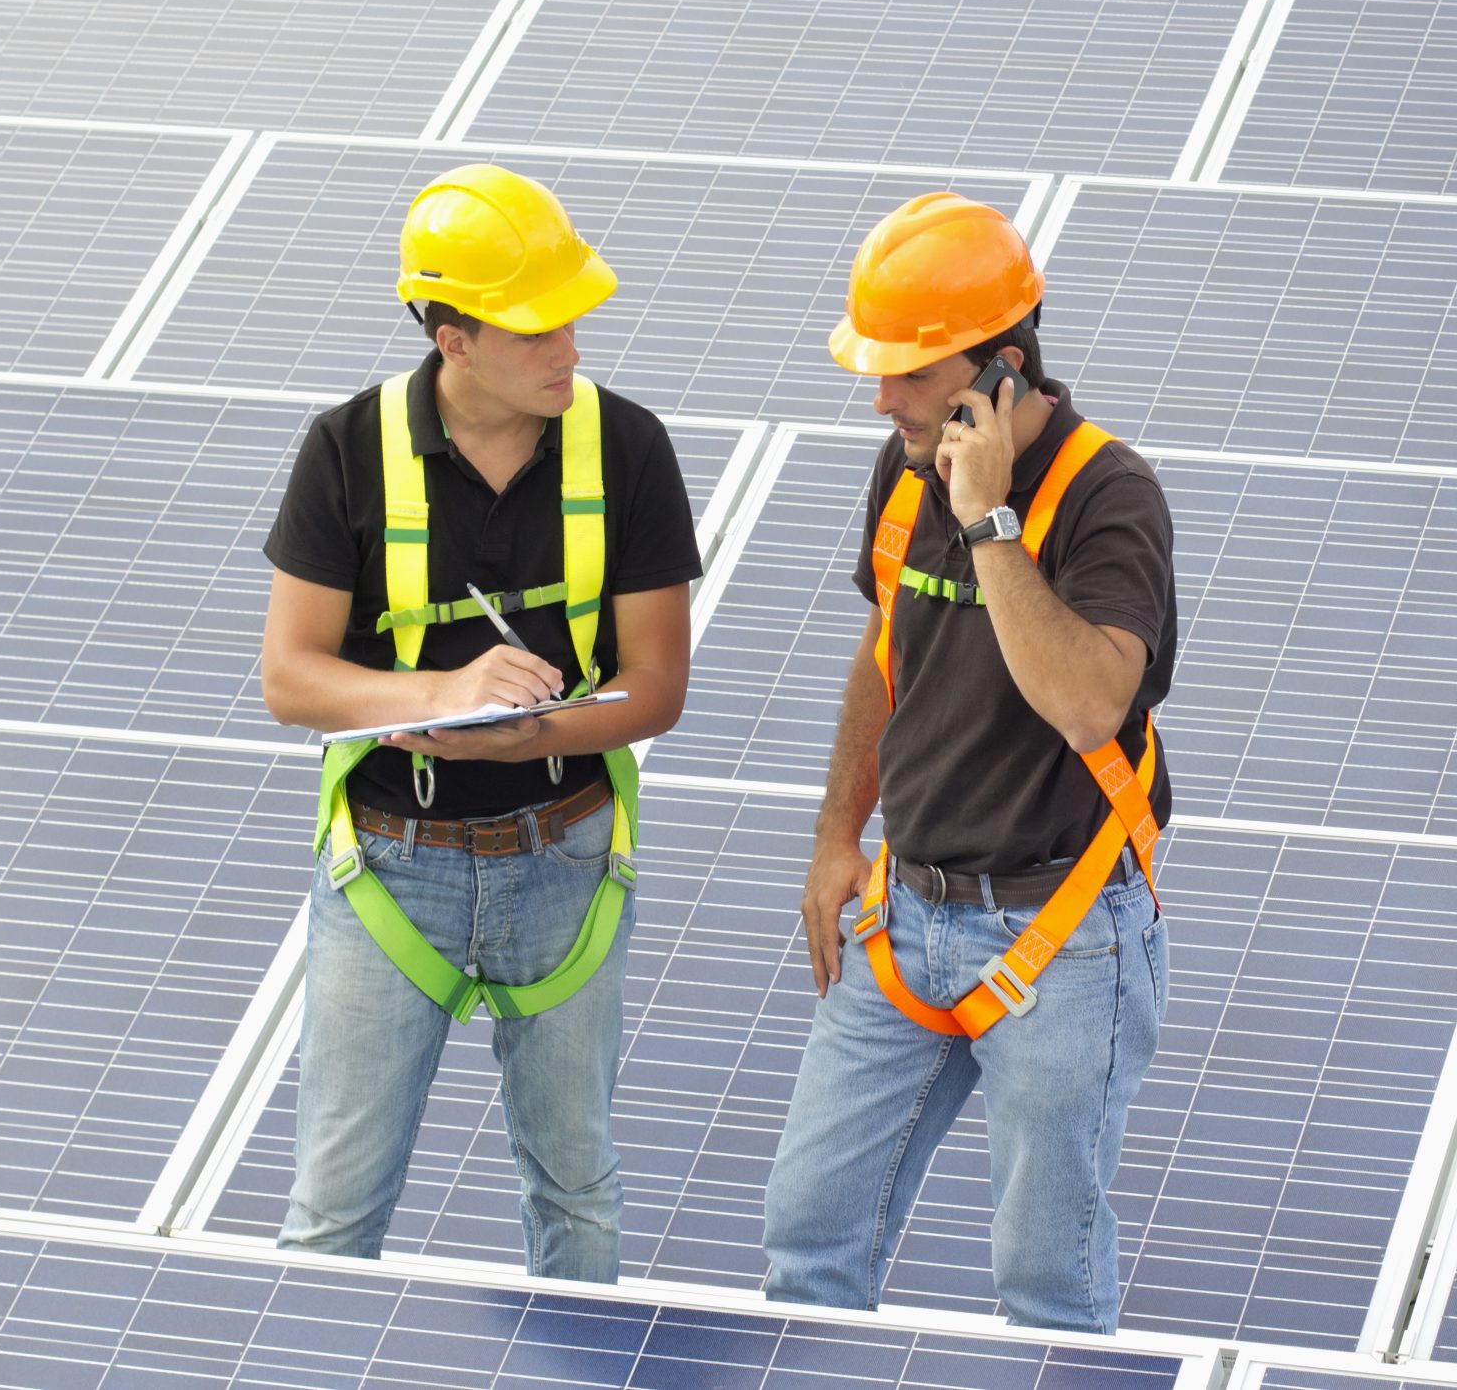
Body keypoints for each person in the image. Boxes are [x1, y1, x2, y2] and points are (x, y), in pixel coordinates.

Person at [258, 164, 700, 1279]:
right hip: (389, 870)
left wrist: (535, 737)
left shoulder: (629, 448)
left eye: (572, 322)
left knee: (577, 1190)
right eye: (537, 330)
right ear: (452, 339)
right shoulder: (347, 451)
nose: (570, 351)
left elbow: (657, 688)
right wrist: (440, 695)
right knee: (333, 1213)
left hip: (567, 860)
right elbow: (290, 680)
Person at [762, 192, 1178, 1331]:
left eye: (908, 370)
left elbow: (1089, 706)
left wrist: (990, 522)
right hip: (906, 921)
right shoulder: (901, 471)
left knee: (1046, 1287)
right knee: (808, 1236)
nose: (881, 394)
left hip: (1062, 937)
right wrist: (835, 839)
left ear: (1000, 368)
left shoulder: (1109, 496)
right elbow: (882, 650)